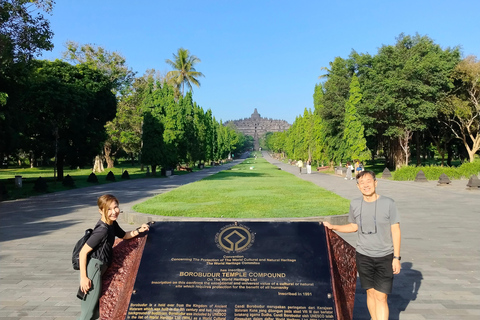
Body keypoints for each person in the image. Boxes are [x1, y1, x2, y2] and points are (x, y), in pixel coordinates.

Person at [324, 171, 401, 320]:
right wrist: (333, 226)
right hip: (363, 256)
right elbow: (353, 226)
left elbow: (395, 230)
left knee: (381, 296)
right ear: (358, 186)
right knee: (370, 292)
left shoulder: (388, 203)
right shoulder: (355, 204)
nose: (366, 185)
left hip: (384, 256)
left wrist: (396, 257)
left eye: (369, 181)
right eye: (362, 183)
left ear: (375, 183)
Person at [78, 194, 150, 320]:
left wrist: (139, 230)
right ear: (101, 211)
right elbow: (83, 252)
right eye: (109, 209)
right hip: (94, 270)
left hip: (99, 269)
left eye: (115, 207)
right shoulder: (102, 230)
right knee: (88, 313)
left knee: (95, 312)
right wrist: (84, 278)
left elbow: (124, 235)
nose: (113, 212)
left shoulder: (112, 224)